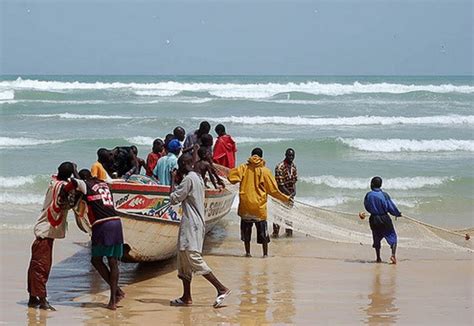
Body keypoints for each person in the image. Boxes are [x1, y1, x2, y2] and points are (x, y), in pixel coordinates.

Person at [169, 153, 231, 308]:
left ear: (184, 163)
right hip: (193, 223)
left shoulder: (189, 179)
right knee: (183, 258)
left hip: (192, 223)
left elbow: (174, 198)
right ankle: (186, 297)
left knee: (193, 256)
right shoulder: (198, 178)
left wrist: (172, 179)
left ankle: (220, 288)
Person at [67, 169, 125, 310]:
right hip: (116, 222)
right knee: (112, 261)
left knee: (97, 260)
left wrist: (73, 169)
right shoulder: (103, 184)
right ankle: (116, 292)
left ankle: (113, 299)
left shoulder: (86, 185)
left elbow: (75, 182)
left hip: (102, 224)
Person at [27, 162, 77, 311]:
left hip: (44, 232)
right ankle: (42, 301)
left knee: (35, 267)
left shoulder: (53, 182)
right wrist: (76, 173)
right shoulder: (62, 187)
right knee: (42, 268)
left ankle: (32, 298)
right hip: (45, 232)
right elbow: (71, 194)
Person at [228, 148, 291, 257]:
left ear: (251, 155)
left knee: (246, 234)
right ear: (261, 157)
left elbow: (231, 177)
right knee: (263, 234)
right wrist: (285, 198)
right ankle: (265, 254)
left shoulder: (243, 168)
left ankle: (247, 253)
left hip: (245, 207)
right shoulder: (265, 171)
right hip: (259, 209)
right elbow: (273, 190)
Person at [363, 176, 402, 264]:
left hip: (373, 219)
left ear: (372, 184)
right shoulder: (384, 195)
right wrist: (397, 213)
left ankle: (378, 258)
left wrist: (373, 211)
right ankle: (393, 255)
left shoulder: (368, 195)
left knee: (376, 237)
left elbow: (367, 206)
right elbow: (390, 207)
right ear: (380, 185)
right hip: (384, 218)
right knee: (392, 236)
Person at [273, 148, 297, 237]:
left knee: (289, 217)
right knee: (278, 217)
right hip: (280, 196)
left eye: (292, 156)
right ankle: (275, 235)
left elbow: (294, 181)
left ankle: (289, 235)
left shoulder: (293, 167)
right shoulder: (280, 167)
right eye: (289, 155)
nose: (291, 157)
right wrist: (289, 195)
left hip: (289, 196)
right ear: (285, 155)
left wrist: (294, 192)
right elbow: (280, 185)